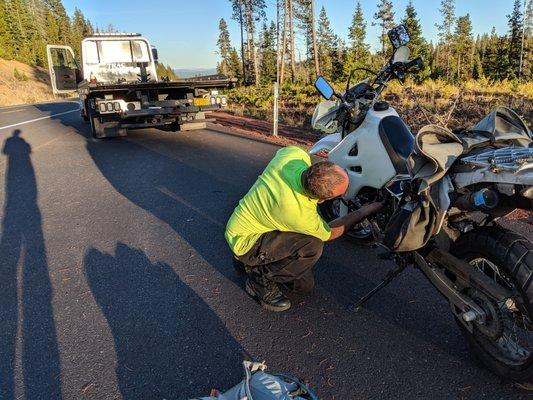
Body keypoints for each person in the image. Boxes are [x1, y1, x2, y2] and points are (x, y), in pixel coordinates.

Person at [225, 146, 383, 312]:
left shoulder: (292, 157)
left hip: (241, 224)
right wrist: (365, 210)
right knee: (311, 247)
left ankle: (247, 262)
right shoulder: (298, 214)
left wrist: (316, 154)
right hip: (247, 241)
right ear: (323, 199)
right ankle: (258, 278)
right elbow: (330, 233)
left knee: (303, 285)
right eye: (340, 195)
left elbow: (299, 152)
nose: (344, 194)